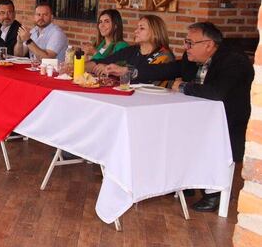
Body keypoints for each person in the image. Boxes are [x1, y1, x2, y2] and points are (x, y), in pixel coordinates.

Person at [105, 22, 253, 212]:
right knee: (165, 128)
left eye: (190, 43)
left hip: (228, 121)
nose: (186, 47)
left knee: (190, 134)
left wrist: (183, 86)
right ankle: (183, 181)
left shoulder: (234, 61)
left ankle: (214, 192)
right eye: (185, 42)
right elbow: (166, 70)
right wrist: (130, 72)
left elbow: (217, 92)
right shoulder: (191, 57)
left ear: (208, 45)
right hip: (196, 114)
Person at [92, 15, 175, 85]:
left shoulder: (164, 55)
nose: (135, 31)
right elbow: (105, 61)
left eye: (141, 28)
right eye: (137, 28)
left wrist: (121, 71)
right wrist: (103, 67)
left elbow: (147, 78)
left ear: (155, 33)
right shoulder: (132, 50)